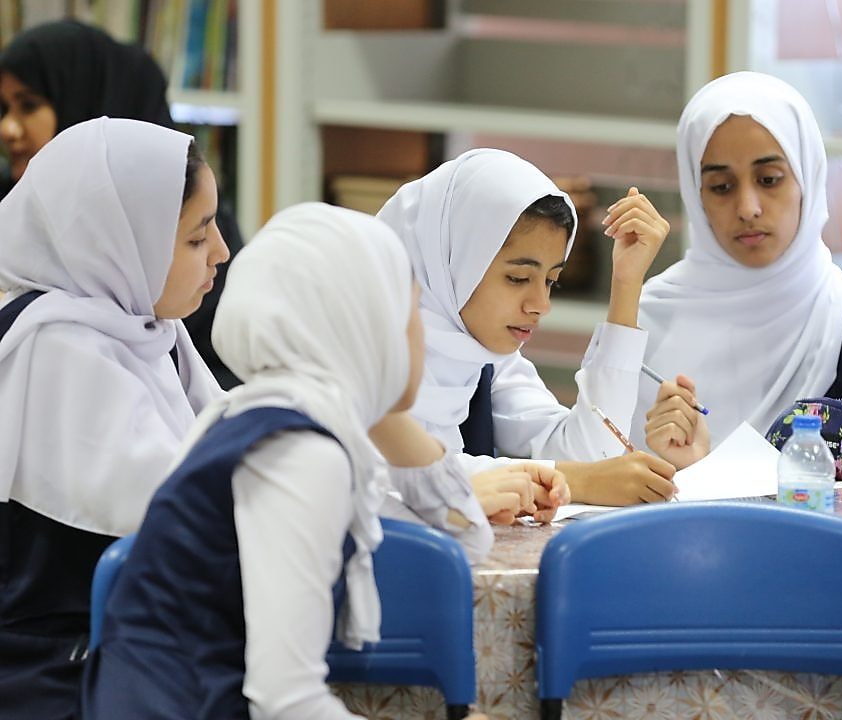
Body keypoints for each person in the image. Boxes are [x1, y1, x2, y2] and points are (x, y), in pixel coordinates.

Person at [80, 203, 498, 718]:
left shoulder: (258, 412)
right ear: (363, 324)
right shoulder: (302, 453)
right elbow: (288, 702)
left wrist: (376, 400)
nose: (419, 335)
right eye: (407, 310)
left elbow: (464, 536)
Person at [0, 117, 227, 718]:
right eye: (198, 237)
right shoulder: (58, 349)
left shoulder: (148, 329)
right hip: (55, 673)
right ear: (122, 241)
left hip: (126, 650)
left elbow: (233, 443)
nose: (223, 253)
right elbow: (187, 502)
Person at [377, 148, 678, 506]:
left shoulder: (483, 356)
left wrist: (626, 285)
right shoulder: (366, 350)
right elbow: (394, 480)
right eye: (518, 277)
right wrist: (571, 480)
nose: (541, 305)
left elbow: (591, 453)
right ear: (449, 261)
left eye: (551, 281)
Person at [632, 71, 842, 469]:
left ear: (807, 177)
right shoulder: (648, 316)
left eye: (769, 179)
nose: (748, 208)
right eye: (721, 187)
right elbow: (603, 473)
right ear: (695, 194)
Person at [0, 19, 244, 386]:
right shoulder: (65, 349)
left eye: (29, 105)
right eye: (4, 109)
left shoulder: (186, 213)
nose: (8, 128)